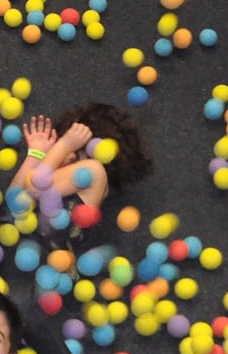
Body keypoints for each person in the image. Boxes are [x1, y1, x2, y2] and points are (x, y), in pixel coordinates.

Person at [8, 103, 153, 254]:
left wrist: (65, 145)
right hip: (14, 243)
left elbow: (35, 187)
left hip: (43, 256)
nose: (67, 155)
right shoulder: (60, 174)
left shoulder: (94, 171)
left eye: (75, 148)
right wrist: (36, 154)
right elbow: (13, 200)